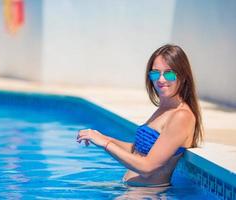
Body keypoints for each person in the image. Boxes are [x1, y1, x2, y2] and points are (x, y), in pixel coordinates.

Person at [76, 44, 203, 187]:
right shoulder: (164, 109)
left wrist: (105, 144)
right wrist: (101, 137)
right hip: (134, 190)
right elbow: (137, 150)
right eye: (155, 73)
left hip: (148, 194)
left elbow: (147, 167)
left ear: (184, 76)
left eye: (169, 73)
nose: (161, 80)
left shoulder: (181, 116)